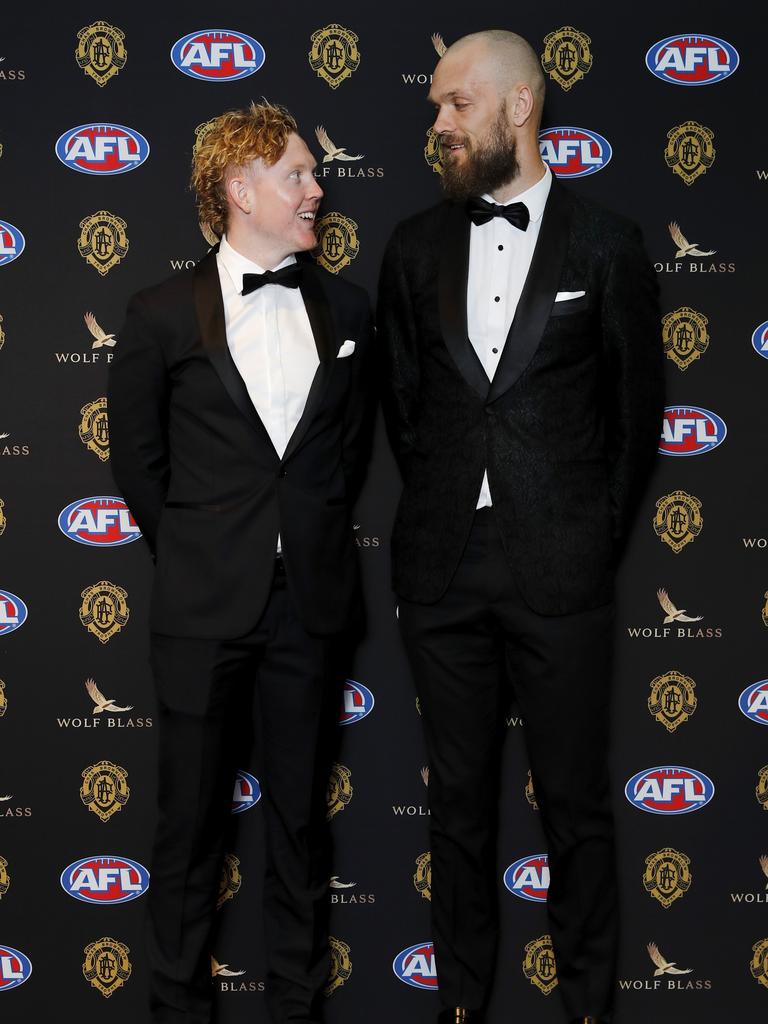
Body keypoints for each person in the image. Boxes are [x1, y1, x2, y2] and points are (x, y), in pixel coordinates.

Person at [378, 30, 663, 1024]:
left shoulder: (610, 245)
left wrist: (585, 535)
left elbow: (635, 423)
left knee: (577, 807)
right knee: (455, 806)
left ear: (520, 106)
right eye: (436, 107)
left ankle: (588, 1003)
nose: (440, 123)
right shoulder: (412, 248)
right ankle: (462, 1002)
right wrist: (455, 513)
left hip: (564, 568)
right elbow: (408, 412)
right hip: (446, 570)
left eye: (456, 104)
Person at [108, 100, 375, 1024]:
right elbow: (139, 466)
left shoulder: (346, 308)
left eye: (310, 172)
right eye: (298, 173)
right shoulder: (155, 314)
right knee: (189, 829)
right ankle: (175, 1009)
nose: (317, 187)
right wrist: (199, 551)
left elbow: (344, 455)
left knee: (300, 825)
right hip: (201, 610)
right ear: (240, 189)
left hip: (310, 605)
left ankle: (296, 1007)